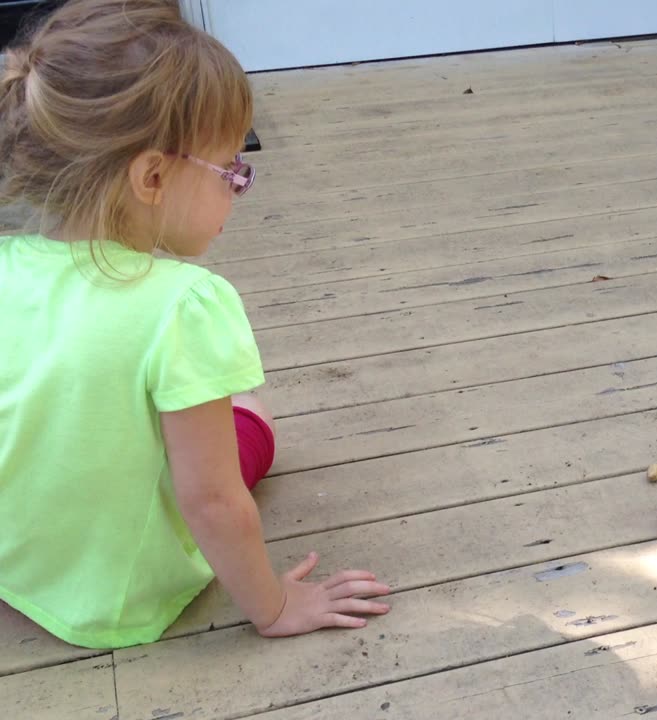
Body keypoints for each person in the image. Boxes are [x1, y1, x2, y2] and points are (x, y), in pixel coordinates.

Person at [0, 0, 391, 650]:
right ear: (153, 176)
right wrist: (274, 606)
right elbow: (212, 504)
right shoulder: (183, 305)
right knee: (252, 417)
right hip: (119, 597)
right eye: (233, 171)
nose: (237, 190)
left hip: (18, 563)